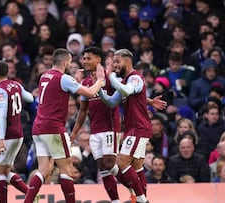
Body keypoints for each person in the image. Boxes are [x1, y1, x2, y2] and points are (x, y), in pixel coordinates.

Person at [24, 48, 105, 203]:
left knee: (44, 170)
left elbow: (58, 92)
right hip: (53, 128)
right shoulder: (64, 78)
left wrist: (75, 81)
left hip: (38, 128)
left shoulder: (44, 76)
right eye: (69, 62)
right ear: (63, 62)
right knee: (67, 170)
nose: (70, 64)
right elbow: (89, 93)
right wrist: (100, 81)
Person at [98, 49, 151, 203]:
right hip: (133, 128)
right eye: (114, 62)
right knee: (137, 166)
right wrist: (100, 87)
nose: (115, 65)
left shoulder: (135, 78)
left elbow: (127, 90)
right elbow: (111, 101)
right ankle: (142, 199)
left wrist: (111, 77)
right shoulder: (125, 81)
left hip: (138, 128)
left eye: (117, 61)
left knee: (121, 163)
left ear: (127, 61)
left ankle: (142, 200)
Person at [71, 47, 121, 203]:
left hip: (110, 128)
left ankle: (134, 184)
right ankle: (116, 201)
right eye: (84, 58)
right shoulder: (85, 83)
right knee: (103, 168)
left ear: (98, 60)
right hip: (94, 130)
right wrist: (74, 133)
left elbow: (125, 95)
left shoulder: (110, 78)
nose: (85, 61)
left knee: (109, 164)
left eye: (88, 58)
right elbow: (82, 111)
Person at [0, 61, 34, 203]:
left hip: (5, 135)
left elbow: (2, 115)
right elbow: (30, 98)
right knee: (6, 170)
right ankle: (30, 194)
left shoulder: (0, 91)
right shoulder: (16, 85)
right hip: (18, 134)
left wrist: (1, 139)